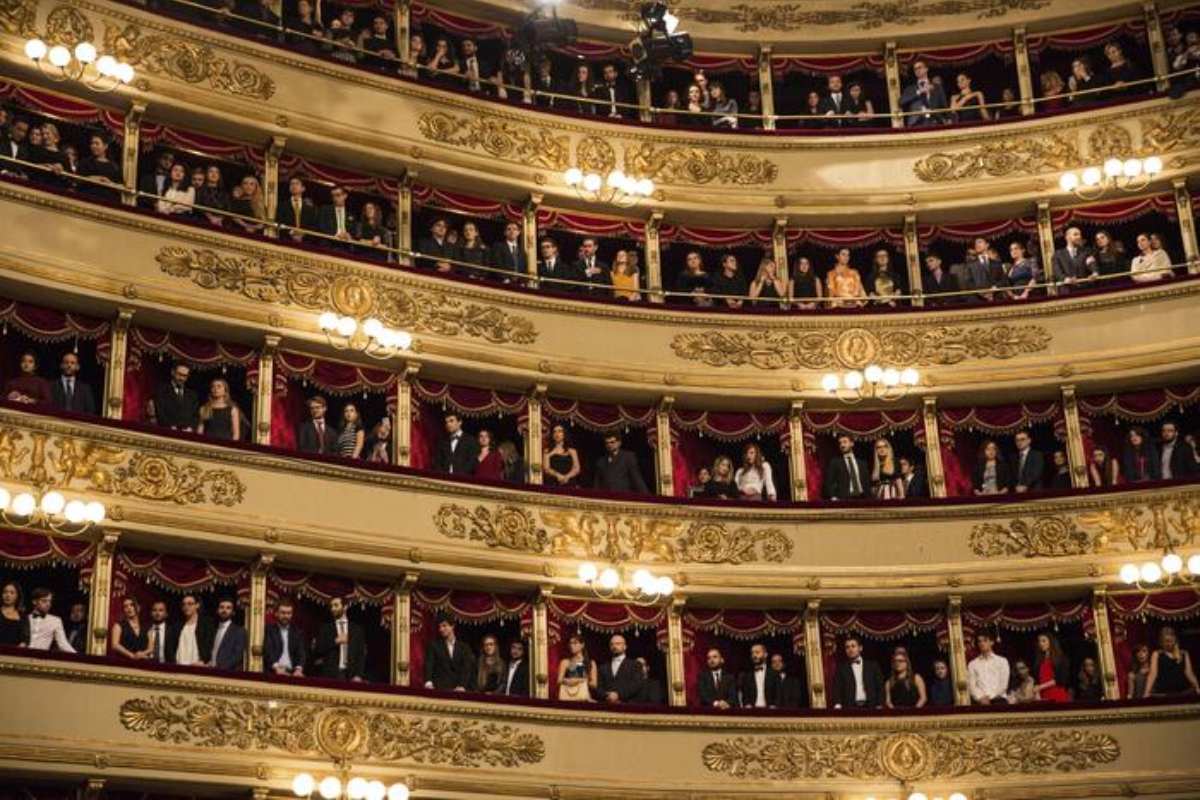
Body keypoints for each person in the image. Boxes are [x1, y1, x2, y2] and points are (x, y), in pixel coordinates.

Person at [312, 596, 366, 681]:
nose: (333, 609)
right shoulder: (325, 628)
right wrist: (335, 641)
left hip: (350, 675)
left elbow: (361, 654)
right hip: (330, 675)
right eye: (331, 606)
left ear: (345, 607)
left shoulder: (356, 630)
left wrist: (358, 675)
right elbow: (318, 649)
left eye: (336, 605)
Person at [1145, 625, 1200, 697]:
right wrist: (1146, 692)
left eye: (1170, 641)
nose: (1168, 644)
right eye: (1166, 641)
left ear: (1175, 640)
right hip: (1164, 692)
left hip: (1183, 692)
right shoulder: (1157, 654)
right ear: (1161, 642)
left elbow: (1189, 673)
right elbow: (1152, 674)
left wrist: (1197, 687)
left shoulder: (1184, 653)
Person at [831, 636, 883, 709]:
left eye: (853, 646)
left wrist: (879, 704)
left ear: (860, 648)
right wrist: (838, 705)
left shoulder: (872, 666)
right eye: (847, 647)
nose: (850, 649)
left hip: (871, 706)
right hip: (850, 707)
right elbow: (837, 688)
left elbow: (879, 686)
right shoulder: (841, 668)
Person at [263, 598, 306, 677]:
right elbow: (267, 651)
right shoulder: (269, 630)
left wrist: (298, 669)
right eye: (283, 613)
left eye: (289, 613)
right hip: (273, 672)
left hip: (292, 673)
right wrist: (276, 668)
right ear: (276, 613)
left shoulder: (297, 632)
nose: (286, 616)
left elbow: (301, 653)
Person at [24, 588, 75, 653]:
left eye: (49, 601)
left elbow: (63, 644)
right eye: (44, 601)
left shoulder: (55, 621)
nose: (48, 604)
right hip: (22, 657)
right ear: (34, 601)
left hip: (41, 659)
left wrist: (78, 657)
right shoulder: (26, 618)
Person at [596, 633, 643, 703]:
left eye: (618, 644)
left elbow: (636, 685)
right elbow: (599, 687)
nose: (614, 646)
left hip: (628, 706)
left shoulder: (635, 664)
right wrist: (607, 695)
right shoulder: (603, 667)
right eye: (612, 644)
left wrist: (618, 695)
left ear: (625, 646)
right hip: (606, 706)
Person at [169, 593, 213, 667]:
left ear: (197, 605)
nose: (186, 607)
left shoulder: (206, 625)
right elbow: (170, 648)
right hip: (178, 668)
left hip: (197, 668)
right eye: (184, 604)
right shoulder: (176, 626)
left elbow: (209, 645)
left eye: (190, 604)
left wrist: (204, 661)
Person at [153, 362, 199, 432]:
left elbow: (195, 416)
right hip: (166, 432)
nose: (182, 378)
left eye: (185, 376)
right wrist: (170, 427)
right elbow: (160, 412)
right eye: (179, 374)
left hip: (187, 434)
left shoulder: (193, 395)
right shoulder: (162, 390)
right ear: (173, 372)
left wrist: (190, 428)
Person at [901, 60, 948, 126]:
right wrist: (919, 92)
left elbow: (944, 105)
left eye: (919, 67)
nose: (917, 70)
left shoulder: (936, 87)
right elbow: (901, 102)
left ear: (926, 69)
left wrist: (947, 119)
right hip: (916, 123)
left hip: (935, 122)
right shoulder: (910, 89)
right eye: (915, 69)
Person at [967, 631, 1010, 705]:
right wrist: (980, 697)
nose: (982, 643)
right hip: (980, 701)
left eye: (985, 640)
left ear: (992, 642)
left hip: (999, 700)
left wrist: (990, 697)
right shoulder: (972, 664)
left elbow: (1003, 684)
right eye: (979, 641)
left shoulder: (1002, 661)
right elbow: (972, 686)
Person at [824, 434, 869, 501]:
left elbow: (867, 482)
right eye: (840, 443)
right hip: (844, 499)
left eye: (845, 442)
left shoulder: (862, 463)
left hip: (862, 498)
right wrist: (833, 497)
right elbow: (829, 482)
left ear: (852, 443)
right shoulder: (835, 463)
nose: (842, 445)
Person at [737, 642, 780, 708]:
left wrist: (774, 705)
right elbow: (745, 695)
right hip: (752, 711)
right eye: (752, 653)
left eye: (757, 652)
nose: (754, 655)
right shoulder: (747, 675)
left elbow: (778, 693)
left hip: (771, 711)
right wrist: (747, 704)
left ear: (765, 655)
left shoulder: (774, 674)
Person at [1032, 632, 1071, 703]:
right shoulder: (1039, 660)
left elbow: (1060, 679)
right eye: (1039, 641)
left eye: (1044, 641)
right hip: (1043, 695)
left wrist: (1040, 687)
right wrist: (1037, 694)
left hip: (1057, 694)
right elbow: (1037, 680)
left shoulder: (1061, 658)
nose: (1041, 644)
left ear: (1051, 642)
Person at [556, 633, 596, 702]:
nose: (572, 646)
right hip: (568, 697)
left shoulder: (590, 662)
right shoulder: (565, 662)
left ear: (582, 645)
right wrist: (570, 680)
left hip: (584, 697)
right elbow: (559, 681)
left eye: (575, 643)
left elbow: (594, 684)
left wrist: (584, 680)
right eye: (570, 643)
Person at [210, 597, 246, 671]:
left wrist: (220, 668)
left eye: (228, 608)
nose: (224, 610)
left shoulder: (239, 631)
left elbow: (237, 656)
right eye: (221, 607)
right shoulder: (212, 629)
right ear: (217, 610)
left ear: (233, 612)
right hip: (209, 670)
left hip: (227, 673)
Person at [316, 185, 356, 250]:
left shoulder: (351, 214)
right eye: (333, 196)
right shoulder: (325, 210)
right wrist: (336, 235)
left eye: (338, 195)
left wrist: (349, 236)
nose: (335, 198)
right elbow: (321, 227)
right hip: (329, 244)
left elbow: (354, 232)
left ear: (345, 196)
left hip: (345, 246)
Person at [0, 581, 25, 647]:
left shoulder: (23, 616)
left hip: (14, 654)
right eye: (5, 592)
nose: (8, 595)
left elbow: (24, 639)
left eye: (12, 593)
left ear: (17, 596)